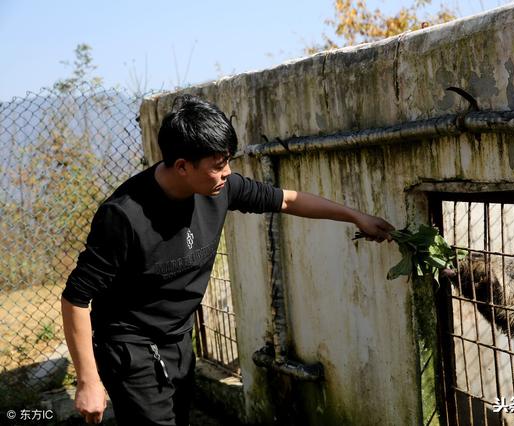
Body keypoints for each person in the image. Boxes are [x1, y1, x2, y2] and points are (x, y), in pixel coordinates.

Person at [61, 95, 395, 425]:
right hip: (130, 347)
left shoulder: (221, 188)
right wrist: (89, 381)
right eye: (218, 165)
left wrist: (355, 216)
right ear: (182, 166)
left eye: (228, 161)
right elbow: (75, 298)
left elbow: (288, 201)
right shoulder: (123, 216)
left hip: (179, 338)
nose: (227, 173)